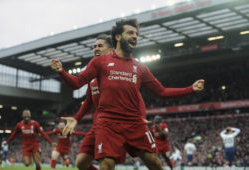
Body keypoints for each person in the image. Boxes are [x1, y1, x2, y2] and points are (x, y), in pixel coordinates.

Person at [51, 18, 205, 170]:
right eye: (130, 33)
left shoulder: (140, 68)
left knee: (155, 163)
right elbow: (76, 83)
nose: (135, 36)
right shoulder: (100, 62)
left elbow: (162, 91)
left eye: (136, 34)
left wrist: (190, 88)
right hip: (108, 123)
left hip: (135, 123)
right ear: (118, 37)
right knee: (106, 164)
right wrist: (61, 72)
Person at [61, 34, 113, 170]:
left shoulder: (116, 70)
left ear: (110, 49)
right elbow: (88, 102)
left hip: (113, 124)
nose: (96, 48)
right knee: (81, 163)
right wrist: (76, 118)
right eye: (94, 46)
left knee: (105, 164)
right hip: (97, 124)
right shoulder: (93, 76)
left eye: (100, 46)